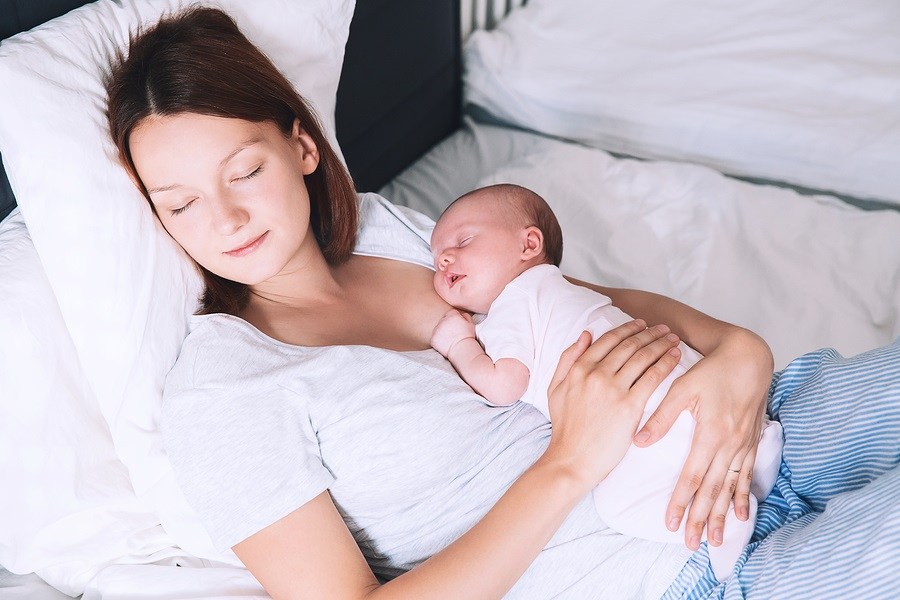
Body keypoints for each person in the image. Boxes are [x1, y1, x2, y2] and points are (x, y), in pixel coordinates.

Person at [104, 6, 899, 599]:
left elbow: (581, 297)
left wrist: (738, 354)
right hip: (678, 569)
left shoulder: (391, 234)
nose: (228, 219)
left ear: (302, 148)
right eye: (181, 204)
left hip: (764, 425)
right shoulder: (223, 390)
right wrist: (569, 463)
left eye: (243, 171)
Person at [429, 184, 784, 580]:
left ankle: (722, 523)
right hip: (689, 381)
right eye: (436, 258)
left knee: (617, 506)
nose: (443, 258)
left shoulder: (508, 308)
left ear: (529, 243)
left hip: (643, 423)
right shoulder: (562, 288)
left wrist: (460, 345)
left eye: (463, 241)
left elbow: (504, 384)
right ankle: (764, 445)